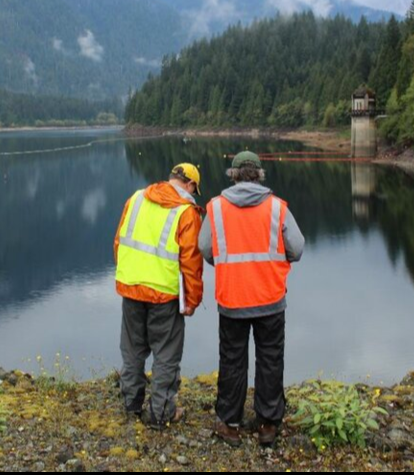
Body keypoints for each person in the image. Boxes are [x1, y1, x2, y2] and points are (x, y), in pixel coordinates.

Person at [198, 151, 304, 447]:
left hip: (233, 298)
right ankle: (268, 424)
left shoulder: (216, 208)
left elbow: (205, 248)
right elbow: (297, 248)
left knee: (232, 360)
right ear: (259, 175)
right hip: (270, 297)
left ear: (232, 175)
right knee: (270, 358)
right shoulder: (277, 208)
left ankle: (230, 424)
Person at [114, 163, 204, 428]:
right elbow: (191, 262)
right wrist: (192, 300)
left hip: (131, 287)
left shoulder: (136, 198)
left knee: (132, 351)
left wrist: (129, 275)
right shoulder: (186, 212)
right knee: (166, 355)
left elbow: (119, 242)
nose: (194, 195)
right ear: (189, 185)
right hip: (165, 295)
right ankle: (161, 413)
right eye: (195, 190)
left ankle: (131, 406)